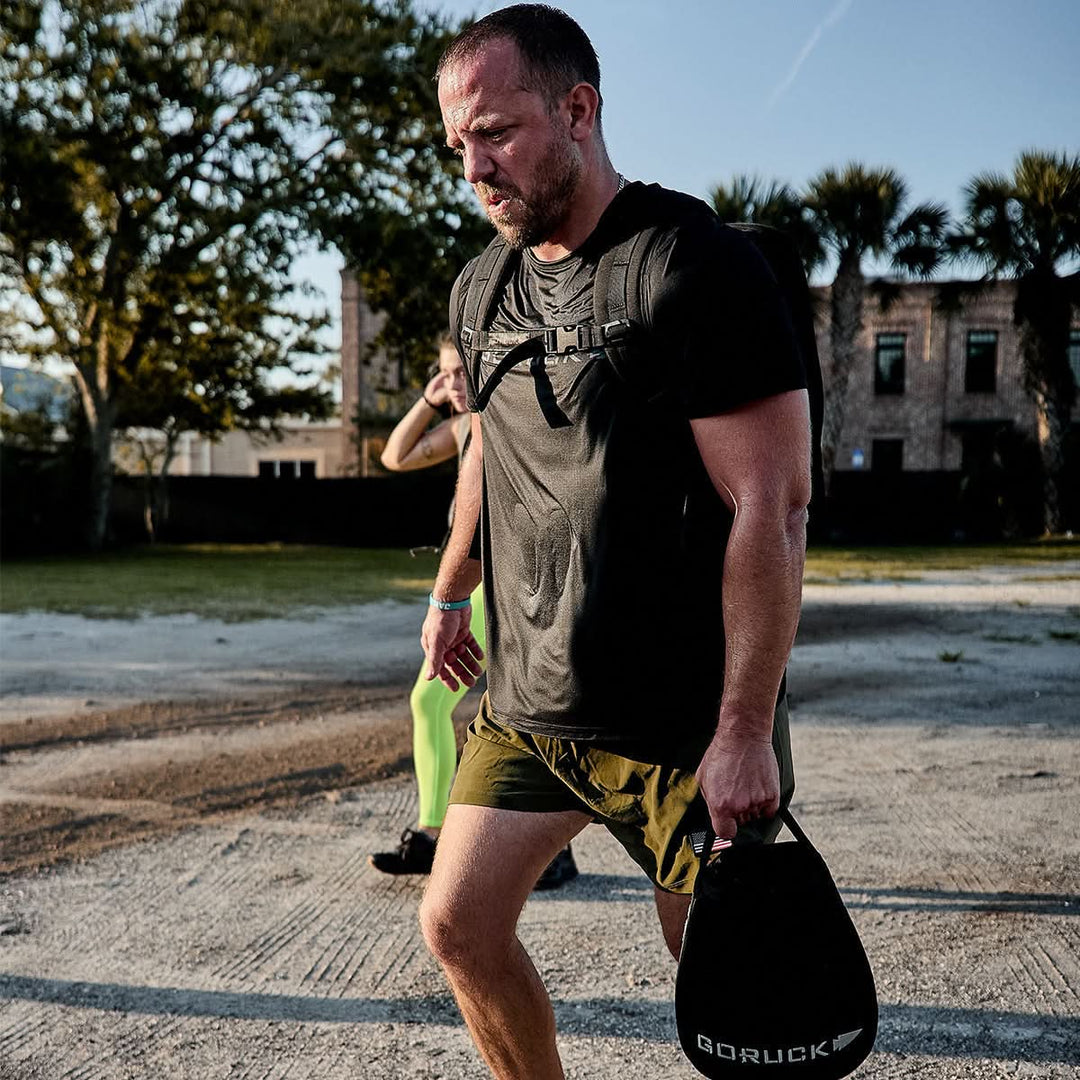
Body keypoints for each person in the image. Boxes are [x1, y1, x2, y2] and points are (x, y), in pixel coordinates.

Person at [419, 6, 812, 1078]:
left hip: (680, 719)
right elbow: (486, 462)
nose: (474, 166)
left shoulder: (693, 264)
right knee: (458, 924)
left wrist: (742, 728)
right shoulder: (480, 289)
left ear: (578, 109)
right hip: (530, 703)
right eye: (459, 144)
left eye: (494, 132)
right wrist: (452, 595)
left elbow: (770, 505)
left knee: (731, 984)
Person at [370, 333, 578, 889]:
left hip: (512, 582)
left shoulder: (513, 416)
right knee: (446, 704)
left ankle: (533, 848)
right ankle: (442, 835)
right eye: (445, 373)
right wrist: (430, 399)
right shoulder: (465, 426)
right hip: (477, 585)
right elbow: (394, 455)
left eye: (461, 371)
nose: (454, 383)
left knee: (520, 711)